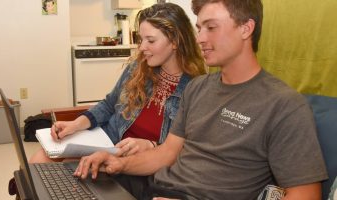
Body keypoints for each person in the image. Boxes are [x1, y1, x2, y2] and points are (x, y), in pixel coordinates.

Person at [73, 0, 328, 199]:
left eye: (211, 27)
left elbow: (305, 194)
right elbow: (166, 154)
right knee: (66, 184)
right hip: (154, 189)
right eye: (199, 28)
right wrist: (117, 163)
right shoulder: (198, 88)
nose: (200, 38)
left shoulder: (283, 104)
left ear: (246, 28)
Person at [29, 3, 206, 163]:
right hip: (108, 144)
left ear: (175, 41)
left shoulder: (195, 88)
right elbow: (108, 105)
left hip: (139, 165)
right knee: (40, 159)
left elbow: (190, 148)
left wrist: (152, 145)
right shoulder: (138, 68)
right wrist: (75, 124)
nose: (142, 47)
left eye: (150, 40)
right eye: (141, 39)